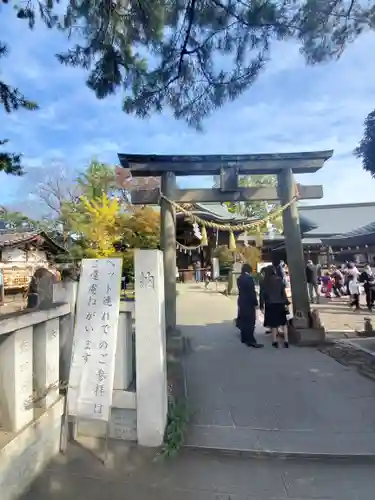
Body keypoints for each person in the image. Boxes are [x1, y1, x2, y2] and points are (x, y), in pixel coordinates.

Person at [260, 265, 289, 348]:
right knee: (283, 322)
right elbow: (283, 293)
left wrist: (262, 305)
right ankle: (286, 341)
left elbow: (263, 294)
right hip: (280, 303)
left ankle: (274, 341)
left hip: (271, 304)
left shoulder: (265, 281)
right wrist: (286, 303)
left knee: (274, 323)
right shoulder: (279, 280)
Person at [237, 264, 263, 348]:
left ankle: (244, 337)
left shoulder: (239, 278)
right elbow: (252, 293)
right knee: (250, 321)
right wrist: (256, 303)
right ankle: (251, 340)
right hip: (249, 302)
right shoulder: (249, 279)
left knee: (244, 320)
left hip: (241, 301)